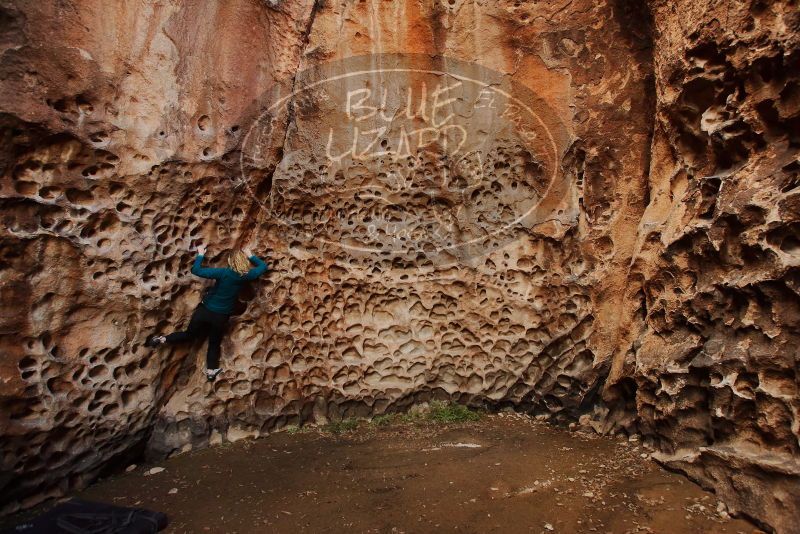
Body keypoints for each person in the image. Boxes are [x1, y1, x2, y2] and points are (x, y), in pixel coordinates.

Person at [145, 244, 268, 381]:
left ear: (230, 261)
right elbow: (263, 267)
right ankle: (211, 371)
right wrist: (250, 254)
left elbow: (196, 270)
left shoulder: (222, 272)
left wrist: (200, 254)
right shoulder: (246, 276)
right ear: (244, 262)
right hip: (220, 316)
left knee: (189, 334)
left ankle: (161, 339)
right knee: (214, 343)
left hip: (204, 311)